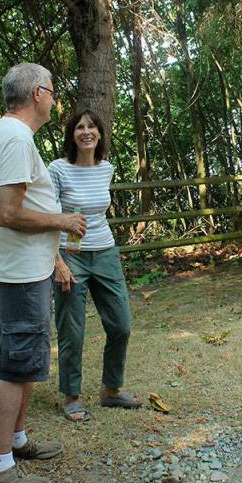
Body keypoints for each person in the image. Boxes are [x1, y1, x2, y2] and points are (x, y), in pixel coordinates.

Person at [0, 63, 87, 483]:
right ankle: (0, 465)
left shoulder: (12, 135)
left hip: (31, 268)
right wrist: (61, 219)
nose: (56, 99)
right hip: (19, 274)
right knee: (15, 363)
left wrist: (56, 259)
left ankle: (18, 440)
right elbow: (8, 213)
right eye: (53, 92)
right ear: (39, 93)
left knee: (25, 360)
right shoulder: (15, 138)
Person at [49, 110, 141, 422]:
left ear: (100, 134)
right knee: (72, 329)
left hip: (105, 254)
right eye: (79, 127)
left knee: (121, 325)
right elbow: (49, 216)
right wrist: (57, 261)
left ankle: (111, 391)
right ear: (71, 135)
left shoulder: (106, 169)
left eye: (92, 127)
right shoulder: (58, 169)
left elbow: (99, 212)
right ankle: (72, 397)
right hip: (70, 256)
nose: (86, 132)